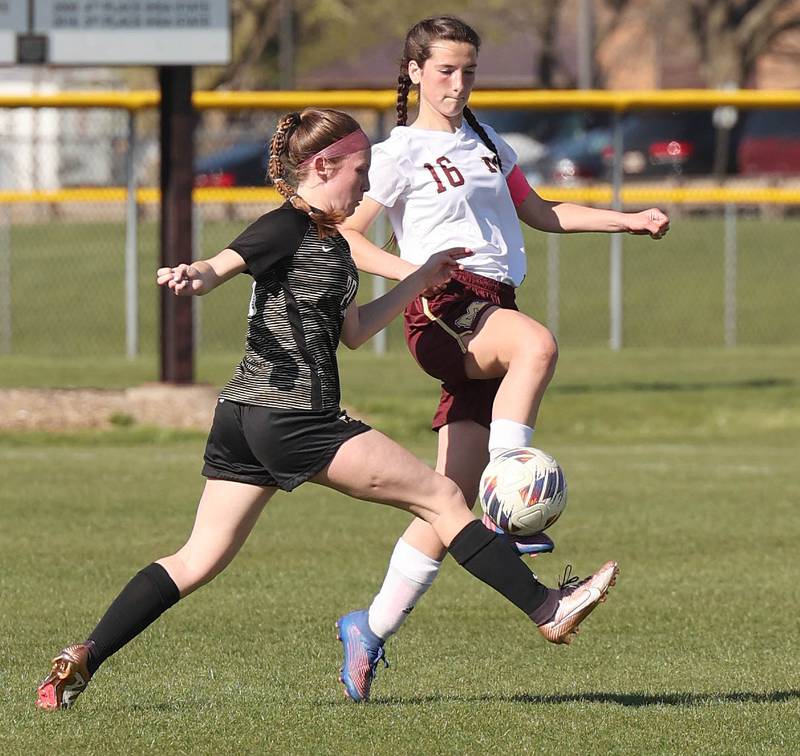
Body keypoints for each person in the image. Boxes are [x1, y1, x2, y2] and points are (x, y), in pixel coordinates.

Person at [35, 107, 618, 711]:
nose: (367, 186)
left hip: (242, 417)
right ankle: (549, 609)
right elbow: (227, 262)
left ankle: (82, 659)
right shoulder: (286, 225)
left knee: (197, 558)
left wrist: (421, 277)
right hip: (295, 416)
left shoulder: (331, 239)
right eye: (359, 172)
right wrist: (197, 274)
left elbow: (357, 330)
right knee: (444, 498)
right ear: (321, 166)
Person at [336, 15, 668, 702]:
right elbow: (347, 235)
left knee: (442, 502)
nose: (457, 84)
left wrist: (626, 219)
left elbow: (543, 213)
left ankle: (367, 629)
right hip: (444, 306)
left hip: (491, 304)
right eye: (445, 70)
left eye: (468, 71)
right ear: (413, 72)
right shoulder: (396, 152)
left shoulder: (486, 142)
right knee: (536, 344)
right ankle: (508, 504)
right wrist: (414, 273)